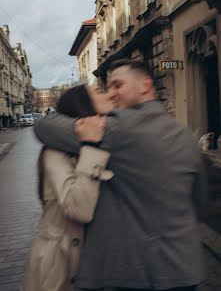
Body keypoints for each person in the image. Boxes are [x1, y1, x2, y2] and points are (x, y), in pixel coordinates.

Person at [34, 59, 207, 291]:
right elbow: (199, 201)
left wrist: (83, 125)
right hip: (185, 268)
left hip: (137, 273)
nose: (111, 94)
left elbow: (44, 127)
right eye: (107, 88)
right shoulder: (185, 134)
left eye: (117, 85)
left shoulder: (115, 129)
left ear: (145, 85)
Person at [21, 85, 114, 291]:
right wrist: (90, 146)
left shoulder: (111, 135)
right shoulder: (56, 151)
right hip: (60, 268)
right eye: (100, 91)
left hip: (96, 263)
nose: (109, 94)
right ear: (83, 105)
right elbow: (78, 209)